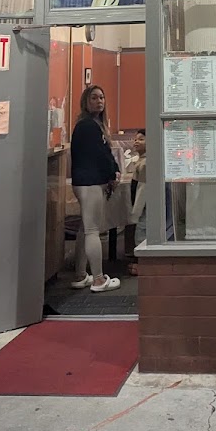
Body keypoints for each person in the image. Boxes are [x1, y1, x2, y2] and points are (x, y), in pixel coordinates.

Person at [70, 85, 120, 292]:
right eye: (94, 98)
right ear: (85, 101)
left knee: (84, 228)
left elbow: (103, 153)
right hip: (91, 182)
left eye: (101, 97)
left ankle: (81, 274)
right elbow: (101, 155)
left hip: (82, 181)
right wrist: (112, 174)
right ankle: (98, 279)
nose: (99, 101)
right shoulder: (89, 126)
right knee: (92, 230)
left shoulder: (90, 125)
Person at [124, 129, 147, 275]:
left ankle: (142, 263)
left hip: (144, 206)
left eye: (141, 139)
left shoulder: (145, 164)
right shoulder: (139, 161)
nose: (136, 142)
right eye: (135, 139)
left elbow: (143, 190)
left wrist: (135, 212)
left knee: (142, 230)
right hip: (140, 204)